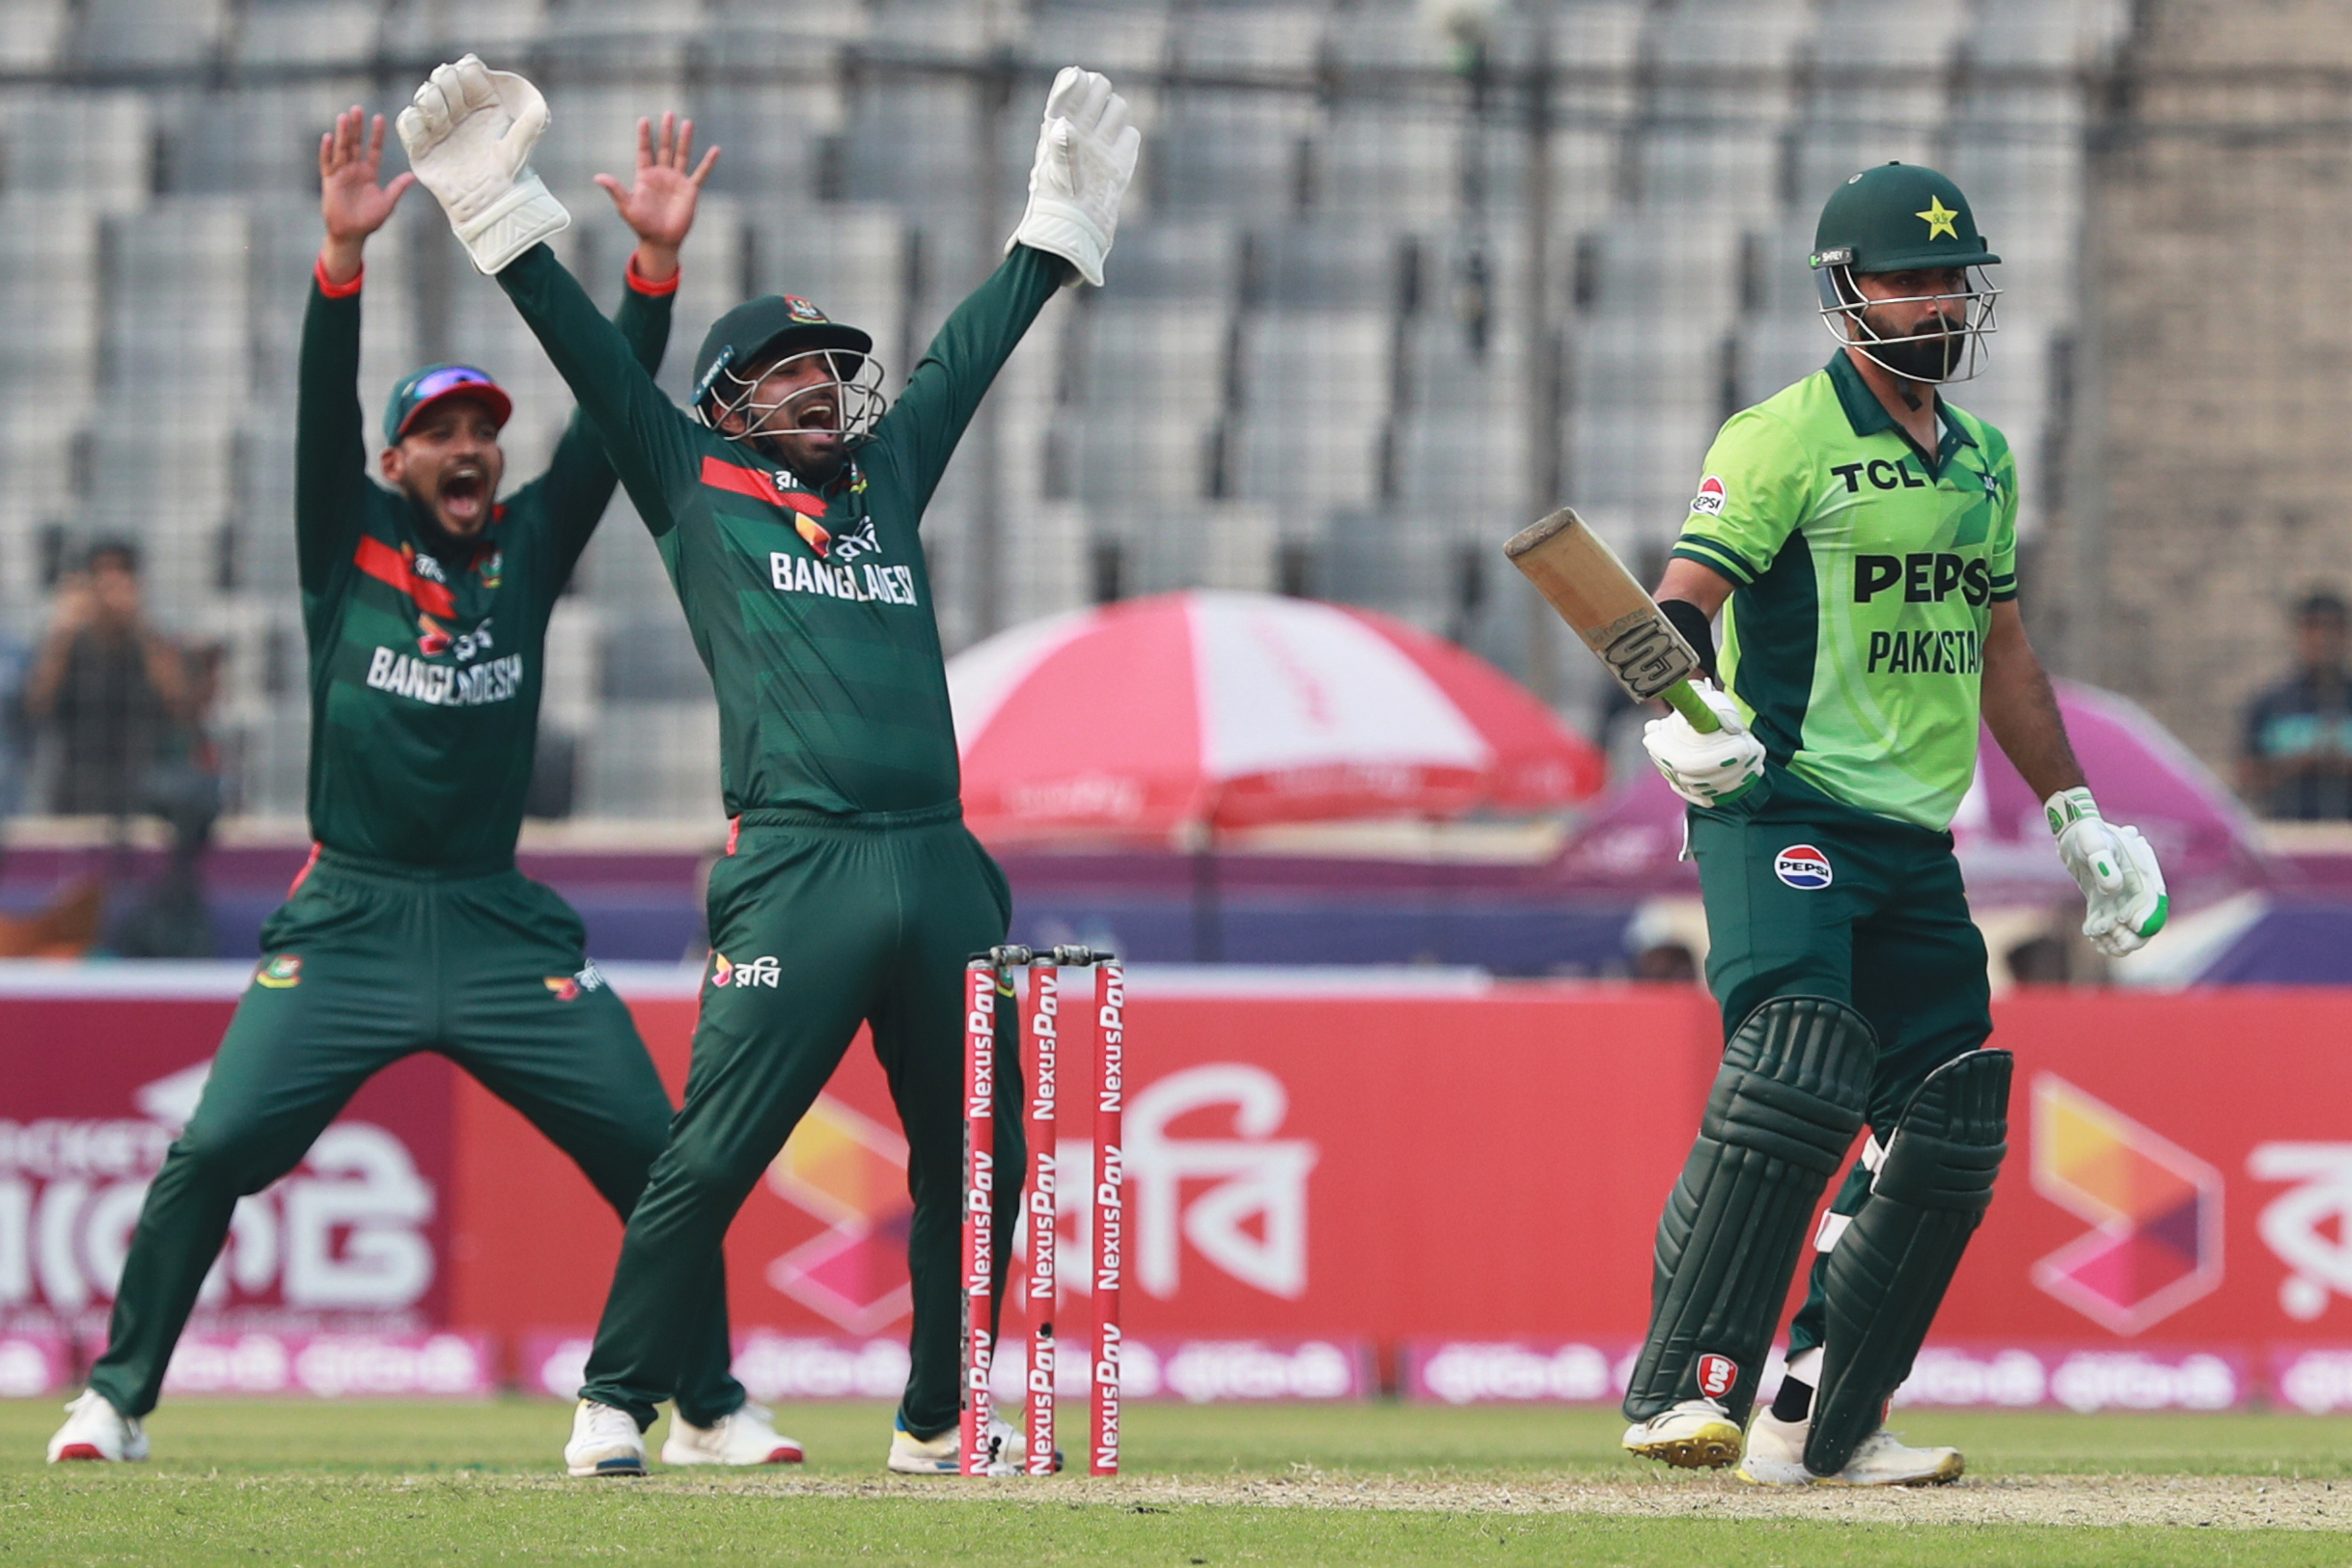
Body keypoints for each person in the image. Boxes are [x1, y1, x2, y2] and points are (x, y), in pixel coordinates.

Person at [396, 54, 1137, 1476]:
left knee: (984, 1162)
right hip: (796, 859)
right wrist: (501, 209)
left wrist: (1052, 232)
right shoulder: (690, 477)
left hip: (938, 852)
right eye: (789, 372)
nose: (823, 386)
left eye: (830, 367)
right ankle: (617, 1397)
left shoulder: (891, 475)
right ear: (732, 401)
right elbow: (587, 355)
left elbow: (962, 355)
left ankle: (936, 1421)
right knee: (716, 1152)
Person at [47, 106, 799, 1472]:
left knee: (660, 1152)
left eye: (482, 432)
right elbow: (319, 411)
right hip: (350, 920)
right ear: (397, 463)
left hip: (499, 925)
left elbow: (609, 430)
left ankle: (707, 1403)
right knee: (210, 1149)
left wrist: (652, 273)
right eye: (440, 433)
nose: (469, 449)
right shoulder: (344, 548)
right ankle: (116, 1397)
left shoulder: (526, 546)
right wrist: (341, 260)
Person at [1619, 162, 2169, 1487]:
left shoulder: (1980, 459)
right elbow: (1676, 606)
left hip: (1916, 843)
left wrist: (2077, 813)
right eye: (1906, 278)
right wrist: (1681, 714)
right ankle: (1687, 1385)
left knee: (1948, 1121)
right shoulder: (1777, 438)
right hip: (1781, 808)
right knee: (1798, 1067)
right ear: (1845, 292)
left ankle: (1820, 1419)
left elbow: (2003, 652)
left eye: (1950, 279)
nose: (1933, 302)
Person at [21, 540, 188, 819]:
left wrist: (138, 621)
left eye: (121, 574)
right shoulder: (69, 644)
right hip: (74, 789)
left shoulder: (153, 641)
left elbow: (179, 707)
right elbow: (37, 706)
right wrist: (62, 631)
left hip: (143, 790)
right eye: (101, 575)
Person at [2240, 591, 2352, 819]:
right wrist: (2299, 765)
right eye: (2313, 628)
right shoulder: (2270, 703)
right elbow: (2245, 777)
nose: (2323, 638)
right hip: (2291, 836)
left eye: (2332, 628)